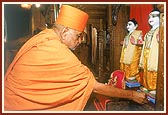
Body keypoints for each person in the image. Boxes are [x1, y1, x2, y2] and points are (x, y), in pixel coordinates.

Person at [4, 5, 147, 111]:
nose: (80, 41)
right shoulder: (57, 50)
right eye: (78, 36)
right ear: (65, 32)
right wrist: (132, 95)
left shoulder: (44, 36)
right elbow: (95, 87)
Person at [139, 9, 160, 91]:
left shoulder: (161, 30)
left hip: (154, 54)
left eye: (154, 16)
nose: (150, 19)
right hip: (146, 53)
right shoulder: (148, 32)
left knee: (153, 71)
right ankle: (147, 86)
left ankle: (154, 88)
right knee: (146, 70)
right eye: (150, 17)